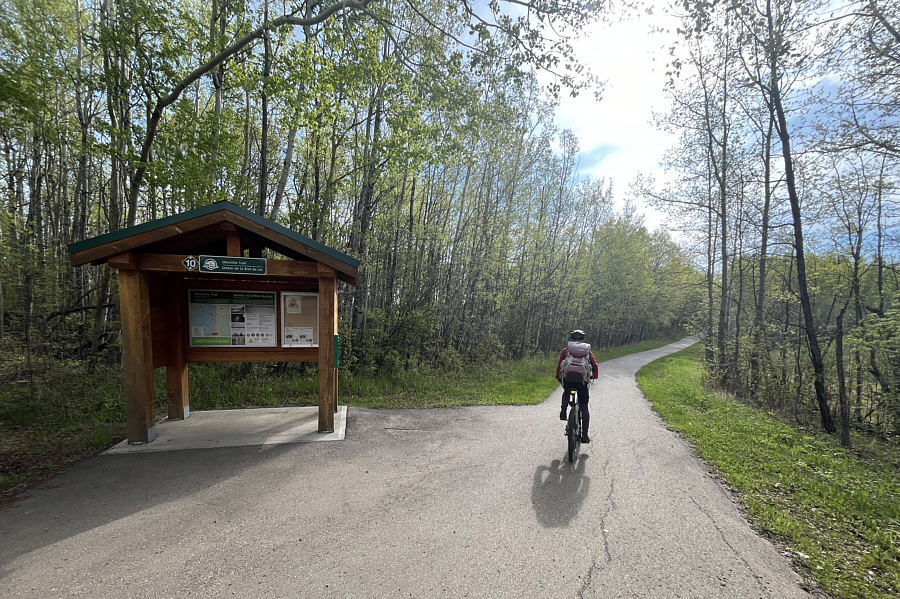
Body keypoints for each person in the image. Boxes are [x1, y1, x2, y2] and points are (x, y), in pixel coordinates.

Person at [555, 329, 599, 443]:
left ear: (572, 338)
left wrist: (558, 376)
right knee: (584, 406)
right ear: (583, 339)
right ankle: (584, 435)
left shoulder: (567, 350)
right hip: (582, 381)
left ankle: (563, 411)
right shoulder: (587, 351)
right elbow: (594, 365)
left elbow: (560, 364)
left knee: (566, 392)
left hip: (569, 378)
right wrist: (595, 376)